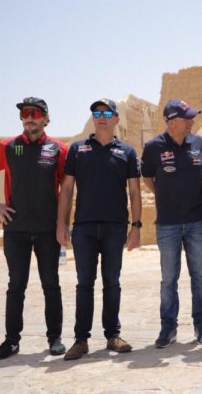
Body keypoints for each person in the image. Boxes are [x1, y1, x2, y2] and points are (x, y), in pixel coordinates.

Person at [0, 97, 67, 359]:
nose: (29, 118)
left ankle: (55, 338)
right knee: (16, 285)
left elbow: (67, 189)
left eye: (35, 113)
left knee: (51, 284)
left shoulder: (59, 149)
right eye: (25, 113)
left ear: (46, 118)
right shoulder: (7, 147)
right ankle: (11, 341)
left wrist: (63, 223)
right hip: (15, 230)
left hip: (47, 230)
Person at [56, 98, 142, 360]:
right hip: (84, 227)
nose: (101, 117)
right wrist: (61, 223)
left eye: (106, 113)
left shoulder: (127, 152)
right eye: (96, 113)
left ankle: (113, 335)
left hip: (115, 227)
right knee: (84, 284)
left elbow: (135, 192)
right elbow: (67, 189)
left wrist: (136, 226)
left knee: (112, 282)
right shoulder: (78, 149)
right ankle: (80, 340)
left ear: (116, 119)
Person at [141, 99, 202, 348]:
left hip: (196, 221)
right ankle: (168, 327)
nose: (192, 121)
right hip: (167, 223)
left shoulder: (199, 143)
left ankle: (201, 324)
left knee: (199, 275)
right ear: (171, 122)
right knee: (169, 278)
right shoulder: (153, 147)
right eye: (187, 118)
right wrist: (163, 194)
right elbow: (147, 177)